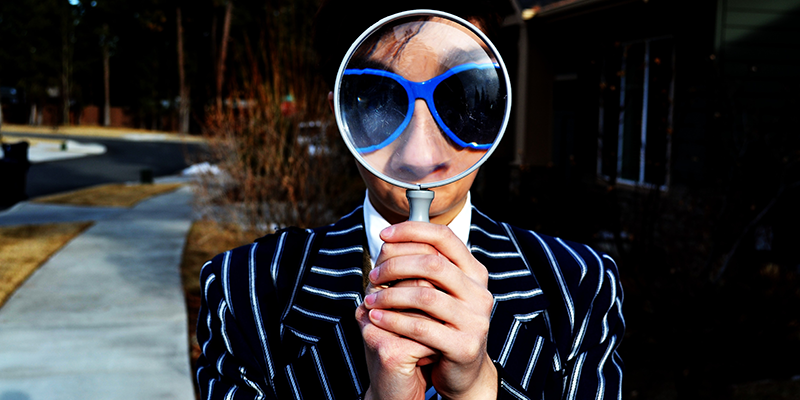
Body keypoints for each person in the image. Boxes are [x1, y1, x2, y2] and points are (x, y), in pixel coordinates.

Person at [195, 1, 625, 399]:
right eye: (378, 100)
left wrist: (477, 389)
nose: (419, 157)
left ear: (498, 105)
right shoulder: (246, 291)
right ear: (339, 118)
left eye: (460, 96)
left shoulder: (580, 286)